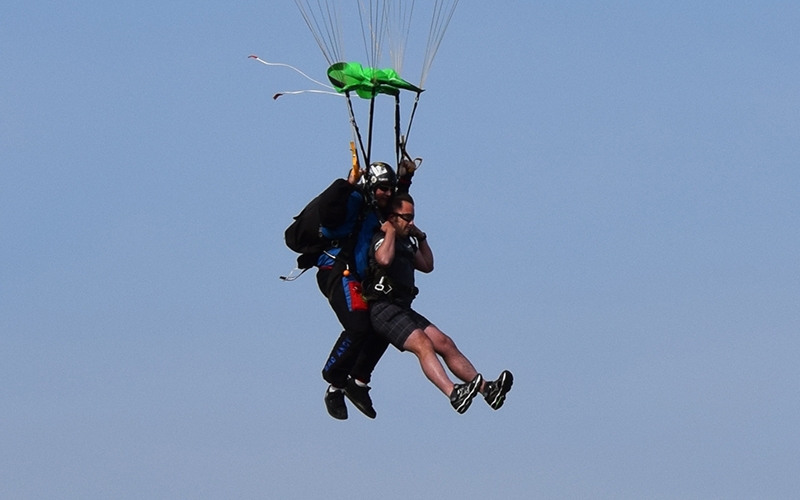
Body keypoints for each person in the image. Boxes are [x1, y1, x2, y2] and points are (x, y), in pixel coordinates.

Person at [365, 193, 513, 413]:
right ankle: (453, 393)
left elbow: (427, 265)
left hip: (403, 308)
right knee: (423, 343)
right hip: (384, 309)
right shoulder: (383, 237)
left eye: (412, 217)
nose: (411, 222)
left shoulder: (407, 242)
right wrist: (388, 232)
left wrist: (422, 238)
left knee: (444, 342)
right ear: (393, 217)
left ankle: (486, 389)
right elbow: (384, 259)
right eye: (407, 217)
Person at [316, 160, 414, 420]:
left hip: (361, 278)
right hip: (337, 271)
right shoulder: (356, 202)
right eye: (382, 188)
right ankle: (335, 381)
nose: (387, 193)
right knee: (359, 325)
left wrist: (405, 179)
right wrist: (347, 185)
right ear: (371, 187)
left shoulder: (379, 210)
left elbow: (397, 208)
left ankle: (358, 381)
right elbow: (328, 218)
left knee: (384, 323)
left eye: (390, 189)